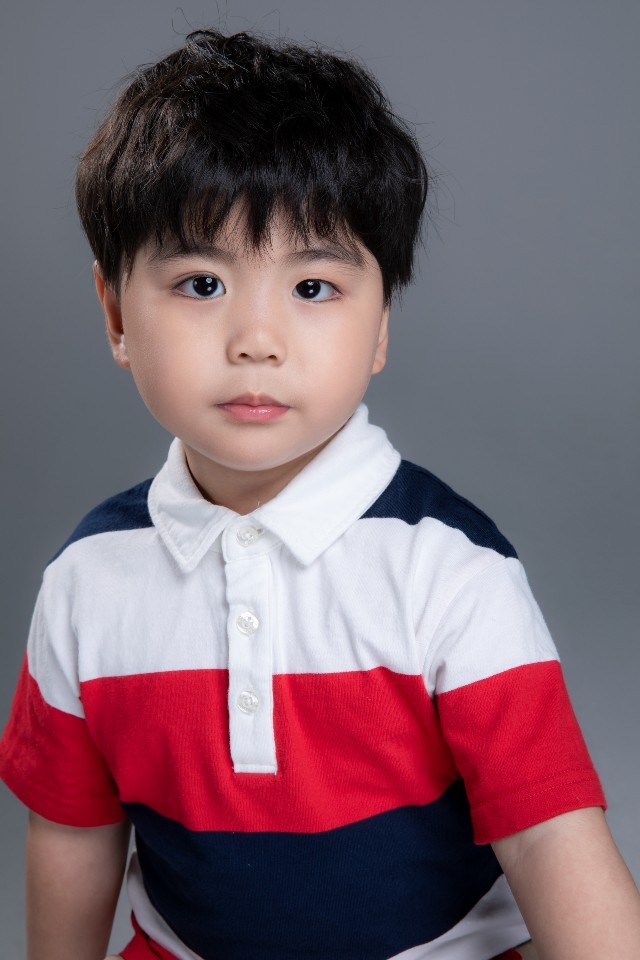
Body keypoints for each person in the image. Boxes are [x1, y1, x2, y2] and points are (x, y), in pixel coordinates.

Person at [1, 28, 638, 960]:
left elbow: (550, 835)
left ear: (379, 328)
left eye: (312, 286)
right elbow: (71, 830)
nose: (257, 340)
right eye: (201, 283)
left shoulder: (448, 570)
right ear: (114, 314)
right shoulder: (87, 581)